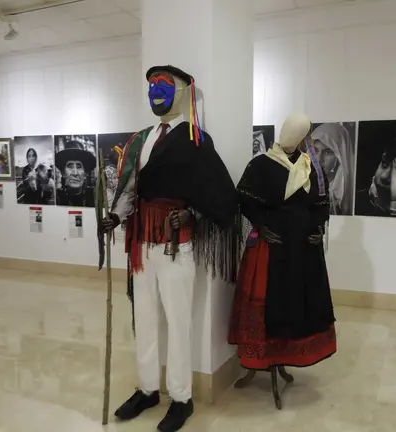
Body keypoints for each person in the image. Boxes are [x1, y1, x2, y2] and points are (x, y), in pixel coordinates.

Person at [101, 65, 239, 432]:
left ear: (181, 92)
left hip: (177, 247)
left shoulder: (196, 140)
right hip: (141, 246)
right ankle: (148, 388)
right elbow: (131, 189)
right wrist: (115, 217)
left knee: (178, 324)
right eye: (150, 86)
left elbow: (220, 195)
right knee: (145, 320)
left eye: (163, 85)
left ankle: (181, 397)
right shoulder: (140, 139)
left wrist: (192, 213)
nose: (154, 92)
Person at [229, 113, 337, 372]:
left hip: (304, 247)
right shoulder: (260, 165)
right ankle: (266, 355)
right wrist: (261, 226)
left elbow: (322, 203)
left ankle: (293, 353)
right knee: (273, 301)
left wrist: (318, 228)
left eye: (298, 132)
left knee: (300, 299)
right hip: (273, 245)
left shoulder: (311, 167)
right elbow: (245, 200)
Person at [311, 123, 354, 215]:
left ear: (340, 156)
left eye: (327, 152)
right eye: (315, 150)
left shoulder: (343, 195)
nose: (319, 159)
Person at [55, 140, 96, 207]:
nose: (75, 173)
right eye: (70, 166)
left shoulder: (95, 197)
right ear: (63, 173)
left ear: (85, 174)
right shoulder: (57, 198)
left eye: (79, 167)